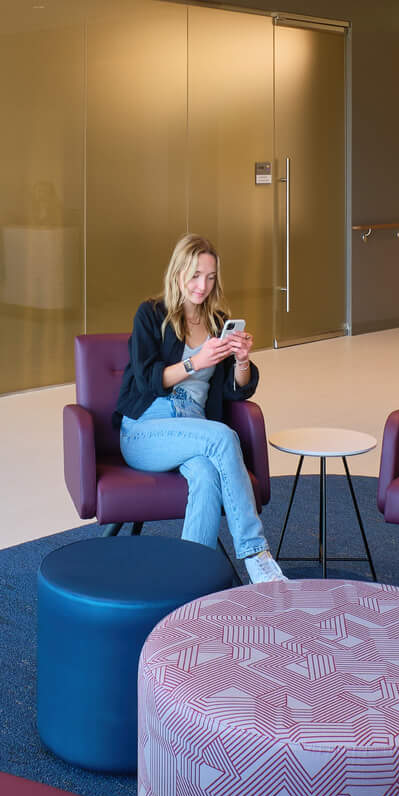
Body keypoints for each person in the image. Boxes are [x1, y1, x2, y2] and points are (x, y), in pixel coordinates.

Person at [117, 235, 284, 583]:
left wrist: (241, 359)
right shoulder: (151, 314)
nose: (202, 285)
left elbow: (233, 391)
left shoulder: (217, 322)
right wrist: (195, 362)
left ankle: (191, 581)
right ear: (178, 274)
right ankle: (256, 554)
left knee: (207, 478)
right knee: (223, 437)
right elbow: (148, 380)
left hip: (194, 425)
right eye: (195, 275)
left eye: (209, 277)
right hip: (147, 427)